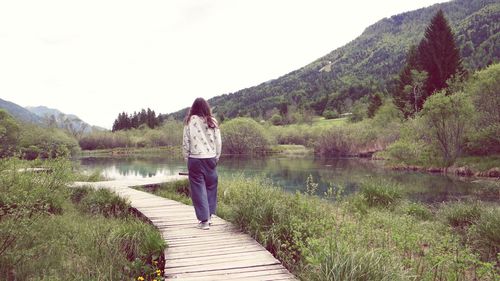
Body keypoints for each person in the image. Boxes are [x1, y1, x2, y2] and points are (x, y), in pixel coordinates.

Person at [182, 97, 222, 230]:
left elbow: (186, 142)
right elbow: (218, 142)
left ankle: (204, 221)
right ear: (206, 107)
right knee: (211, 187)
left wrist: (187, 159)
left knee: (198, 189)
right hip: (210, 158)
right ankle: (209, 217)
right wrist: (216, 157)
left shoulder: (189, 121)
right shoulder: (212, 121)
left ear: (193, 108)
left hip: (195, 159)